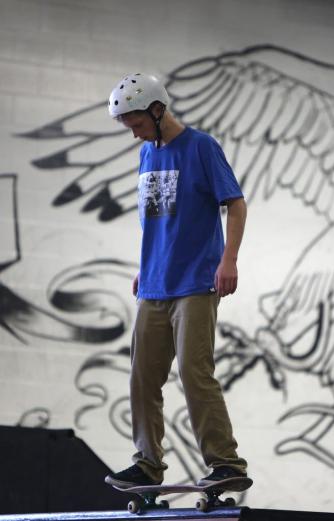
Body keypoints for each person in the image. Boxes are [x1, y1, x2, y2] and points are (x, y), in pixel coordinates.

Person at [104, 73, 249, 489]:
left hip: (196, 284)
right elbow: (159, 220)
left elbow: (236, 205)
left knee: (193, 370)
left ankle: (226, 464)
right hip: (153, 284)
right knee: (142, 376)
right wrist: (144, 266)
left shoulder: (201, 148)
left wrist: (229, 259)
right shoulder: (148, 154)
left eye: (135, 123)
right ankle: (147, 462)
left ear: (156, 110)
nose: (134, 134)